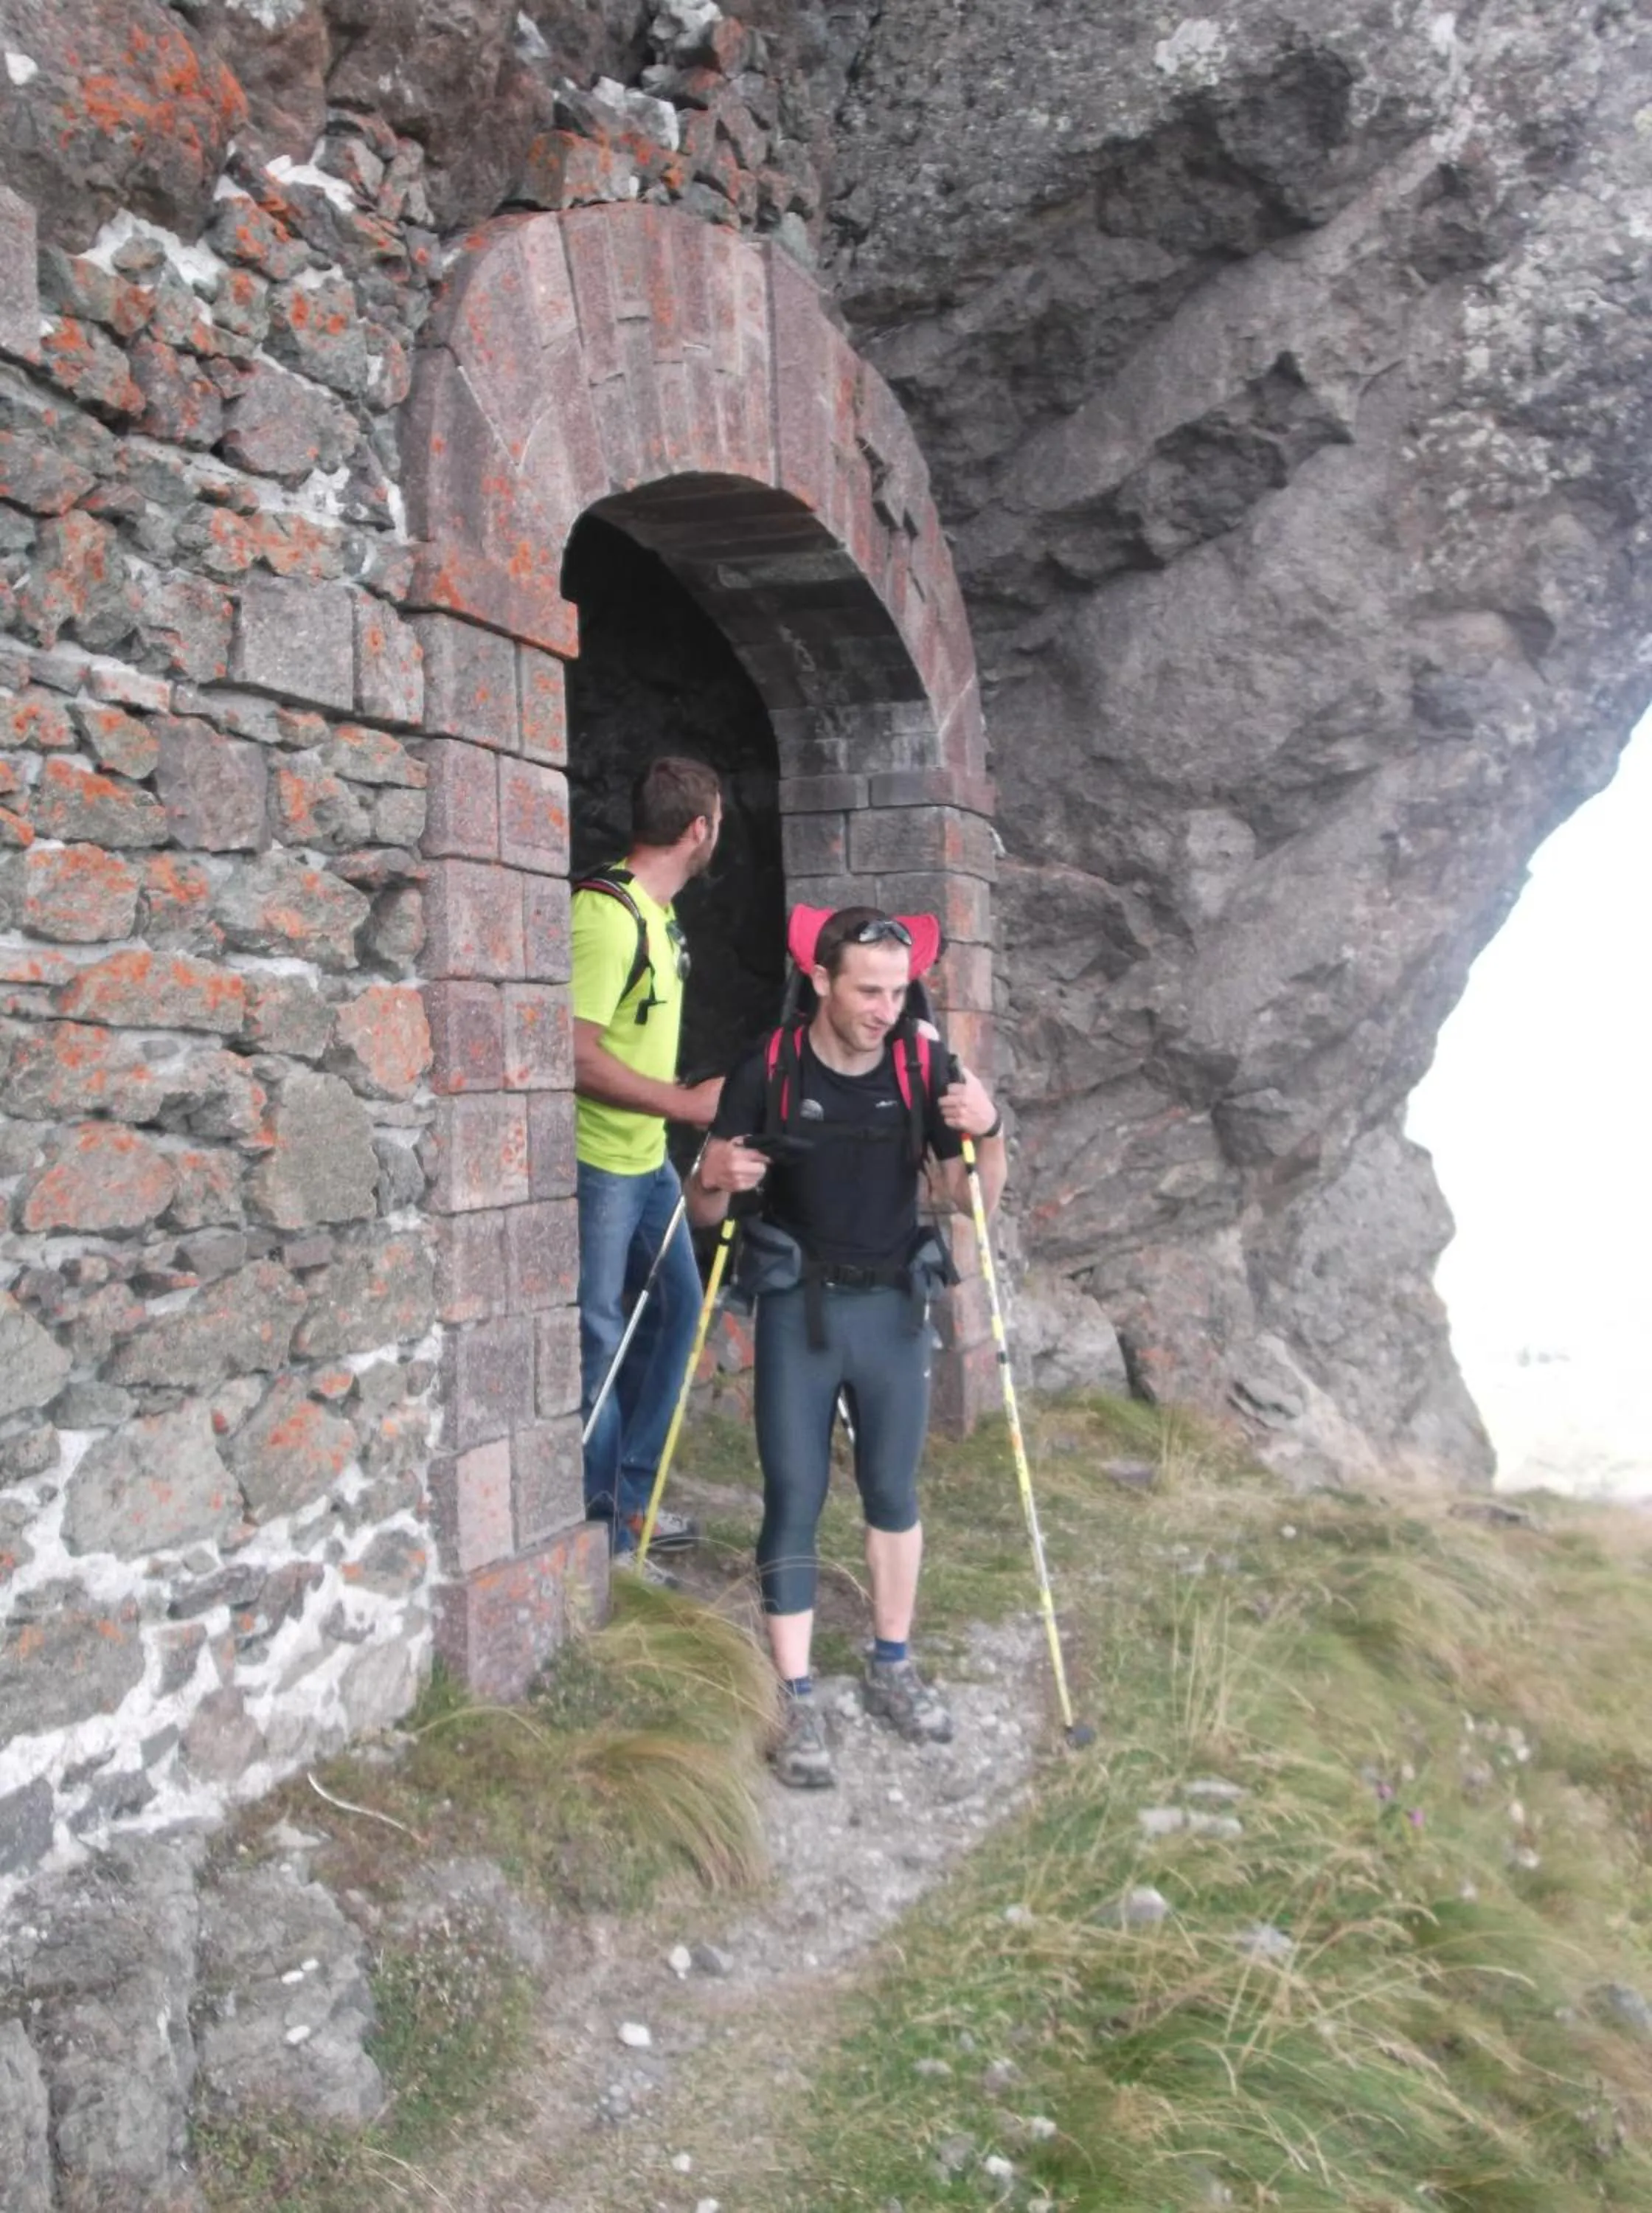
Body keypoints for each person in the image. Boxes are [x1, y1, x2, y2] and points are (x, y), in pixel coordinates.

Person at [687, 906, 1007, 1787]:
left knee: (891, 1492)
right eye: (868, 989)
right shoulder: (772, 1068)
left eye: (897, 991)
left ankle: (890, 1663)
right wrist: (709, 1178)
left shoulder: (923, 1063)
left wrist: (988, 1128)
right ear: (822, 982)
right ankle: (795, 1691)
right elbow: (705, 1208)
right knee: (792, 1492)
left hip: (893, 1310)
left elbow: (966, 1196)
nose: (884, 1007)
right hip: (797, 1309)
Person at [572, 755, 723, 1575]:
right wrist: (687, 1105)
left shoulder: (659, 919)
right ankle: (601, 1533)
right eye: (718, 821)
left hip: (646, 1160)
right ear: (697, 829)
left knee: (672, 1317)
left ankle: (630, 1501)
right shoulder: (607, 917)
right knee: (598, 1338)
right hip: (603, 1163)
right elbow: (577, 1056)